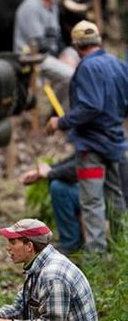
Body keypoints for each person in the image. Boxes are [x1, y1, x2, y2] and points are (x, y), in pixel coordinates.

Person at [46, 20, 128, 253]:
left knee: (92, 202)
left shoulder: (88, 68)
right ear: (98, 41)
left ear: (77, 46)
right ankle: (121, 249)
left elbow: (91, 106)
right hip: (115, 144)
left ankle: (96, 257)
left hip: (91, 147)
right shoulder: (119, 65)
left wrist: (60, 122)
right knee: (116, 199)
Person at [13, 0, 76, 112]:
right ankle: (63, 115)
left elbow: (57, 37)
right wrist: (60, 58)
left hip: (48, 54)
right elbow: (37, 44)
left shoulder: (52, 5)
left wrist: (64, 53)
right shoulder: (31, 7)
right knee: (72, 75)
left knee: (79, 59)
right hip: (32, 58)